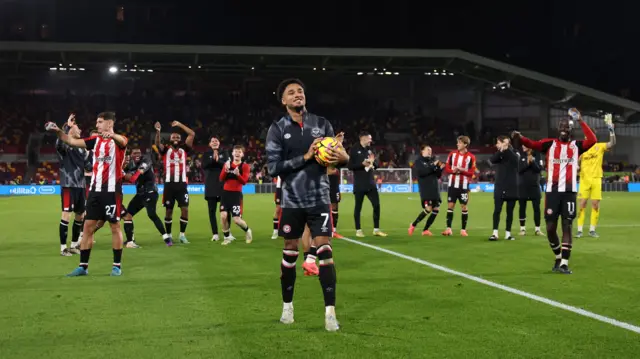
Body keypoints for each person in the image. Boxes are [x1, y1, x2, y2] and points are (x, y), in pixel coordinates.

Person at [266, 78, 349, 331]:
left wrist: (344, 157)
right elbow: (273, 168)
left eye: (300, 91)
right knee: (290, 252)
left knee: (325, 250)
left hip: (319, 199)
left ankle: (330, 314)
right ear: (284, 101)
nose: (297, 95)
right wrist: (305, 157)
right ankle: (287, 307)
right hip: (291, 200)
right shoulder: (277, 128)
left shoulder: (322, 124)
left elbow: (336, 161)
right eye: (291, 93)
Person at [512, 108, 596, 274]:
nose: (564, 130)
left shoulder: (577, 146)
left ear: (571, 130)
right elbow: (531, 144)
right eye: (562, 127)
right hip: (552, 192)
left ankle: (564, 263)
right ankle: (558, 256)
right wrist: (520, 137)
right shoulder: (549, 144)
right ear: (558, 129)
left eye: (567, 128)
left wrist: (580, 120)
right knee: (550, 227)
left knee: (567, 225)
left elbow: (592, 140)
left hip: (569, 192)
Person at [46, 111, 128, 277]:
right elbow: (70, 140)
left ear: (109, 123)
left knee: (115, 226)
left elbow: (123, 141)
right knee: (88, 226)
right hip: (95, 191)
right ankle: (83, 266)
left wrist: (112, 136)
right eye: (97, 122)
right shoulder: (94, 141)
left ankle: (116, 266)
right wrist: (57, 131)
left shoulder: (119, 141)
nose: (96, 125)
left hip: (112, 191)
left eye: (99, 122)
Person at [120, 148, 171, 247]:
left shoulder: (146, 160)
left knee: (151, 214)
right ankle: (130, 240)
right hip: (140, 194)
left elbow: (138, 173)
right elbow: (122, 173)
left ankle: (167, 238)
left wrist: (129, 177)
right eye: (135, 153)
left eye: (139, 152)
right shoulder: (130, 164)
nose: (137, 154)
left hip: (150, 192)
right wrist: (123, 167)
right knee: (128, 215)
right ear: (131, 155)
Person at [154, 121, 195, 244]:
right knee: (169, 211)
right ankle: (169, 234)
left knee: (185, 209)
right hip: (169, 186)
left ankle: (182, 235)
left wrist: (180, 125)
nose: (176, 138)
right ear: (170, 139)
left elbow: (192, 134)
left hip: (182, 185)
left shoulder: (184, 148)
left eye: (178, 137)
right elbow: (157, 143)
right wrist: (158, 131)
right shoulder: (165, 149)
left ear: (181, 139)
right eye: (173, 137)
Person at [576, 113, 616, 238]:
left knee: (595, 204)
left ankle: (592, 230)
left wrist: (611, 130)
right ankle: (579, 230)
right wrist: (577, 167)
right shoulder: (581, 149)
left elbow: (612, 143)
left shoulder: (600, 146)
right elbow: (576, 162)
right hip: (584, 180)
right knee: (582, 204)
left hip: (596, 179)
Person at [55, 114, 87, 256]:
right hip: (68, 184)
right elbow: (60, 143)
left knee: (80, 215)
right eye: (77, 127)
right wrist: (67, 127)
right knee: (66, 215)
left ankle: (74, 245)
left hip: (80, 185)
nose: (79, 129)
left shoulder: (82, 148)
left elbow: (89, 164)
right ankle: (63, 248)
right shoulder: (65, 146)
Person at [347, 131, 387, 238]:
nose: (371, 140)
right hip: (359, 184)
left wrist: (373, 163)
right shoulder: (354, 149)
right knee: (358, 207)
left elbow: (377, 164)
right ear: (363, 138)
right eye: (369, 138)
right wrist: (361, 164)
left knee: (377, 205)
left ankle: (376, 229)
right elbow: (350, 166)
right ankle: (358, 230)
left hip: (370, 183)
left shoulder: (370, 150)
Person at [219, 145, 253, 245]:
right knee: (223, 216)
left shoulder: (245, 166)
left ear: (242, 154)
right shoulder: (227, 164)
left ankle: (247, 230)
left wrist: (238, 175)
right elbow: (221, 178)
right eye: (236, 151)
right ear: (232, 153)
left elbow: (244, 181)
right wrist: (225, 171)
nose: (237, 153)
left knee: (237, 220)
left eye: (240, 151)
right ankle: (226, 238)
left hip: (236, 195)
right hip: (225, 194)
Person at [443, 136, 476, 236]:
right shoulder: (452, 154)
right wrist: (453, 171)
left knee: (464, 207)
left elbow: (471, 173)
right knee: (450, 206)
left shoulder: (471, 157)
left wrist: (461, 170)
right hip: (452, 184)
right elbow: (447, 168)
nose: (457, 144)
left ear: (465, 144)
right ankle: (448, 229)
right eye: (457, 142)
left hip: (464, 186)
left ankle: (463, 230)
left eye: (460, 143)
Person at [408, 145, 445, 236]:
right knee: (428, 208)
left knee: (436, 209)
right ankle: (413, 225)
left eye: (431, 150)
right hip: (426, 189)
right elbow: (422, 172)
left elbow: (438, 175)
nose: (430, 151)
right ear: (422, 151)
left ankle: (425, 230)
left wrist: (440, 169)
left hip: (435, 188)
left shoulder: (431, 161)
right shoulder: (419, 162)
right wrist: (433, 165)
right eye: (428, 150)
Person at [489, 136, 519, 241]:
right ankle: (495, 233)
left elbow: (516, 161)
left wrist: (507, 149)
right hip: (500, 185)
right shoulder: (499, 154)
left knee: (510, 211)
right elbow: (492, 160)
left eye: (498, 143)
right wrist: (501, 151)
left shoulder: (514, 152)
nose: (497, 145)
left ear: (505, 142)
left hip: (512, 186)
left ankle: (508, 233)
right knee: (497, 210)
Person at [202, 136, 230, 242]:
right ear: (209, 144)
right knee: (212, 211)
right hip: (210, 185)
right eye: (212, 141)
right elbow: (204, 165)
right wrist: (215, 161)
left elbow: (227, 165)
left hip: (223, 185)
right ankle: (215, 234)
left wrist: (217, 162)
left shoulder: (225, 152)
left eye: (216, 141)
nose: (214, 142)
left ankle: (228, 232)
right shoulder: (206, 154)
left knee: (226, 210)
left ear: (219, 143)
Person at [517, 145, 543, 236]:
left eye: (525, 145)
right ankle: (522, 229)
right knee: (522, 208)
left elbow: (539, 169)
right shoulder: (520, 156)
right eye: (522, 145)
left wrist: (532, 162)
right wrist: (527, 163)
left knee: (536, 208)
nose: (523, 146)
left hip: (534, 186)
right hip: (522, 186)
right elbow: (519, 170)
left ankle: (537, 229)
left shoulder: (538, 156)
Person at [328, 132, 345, 238]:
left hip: (334, 183)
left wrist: (340, 144)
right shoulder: (323, 152)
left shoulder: (337, 153)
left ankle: (333, 231)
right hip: (325, 182)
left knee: (335, 206)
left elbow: (345, 158)